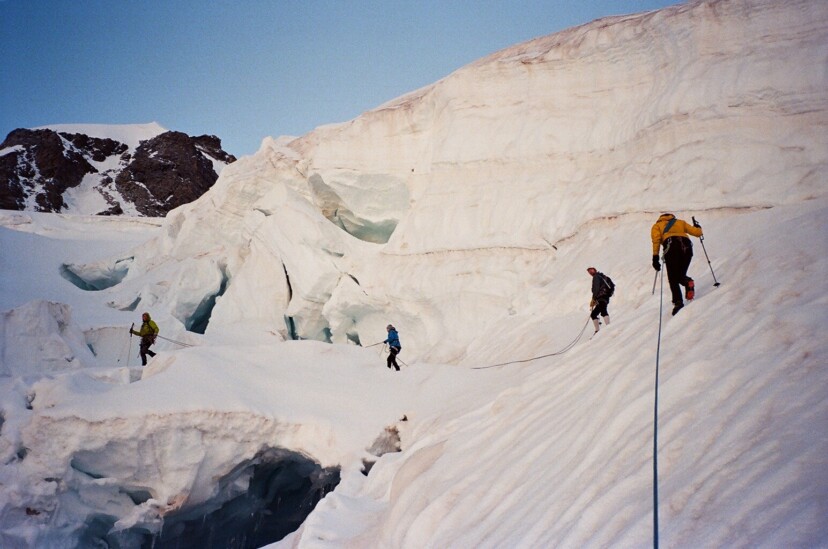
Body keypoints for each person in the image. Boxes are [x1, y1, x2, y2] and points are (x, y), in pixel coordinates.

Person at [651, 213, 703, 316]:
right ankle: (687, 281)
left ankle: (678, 302)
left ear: (660, 219)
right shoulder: (680, 222)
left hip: (672, 248)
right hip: (687, 248)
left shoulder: (657, 226)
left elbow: (656, 240)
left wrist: (655, 257)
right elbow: (697, 233)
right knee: (680, 274)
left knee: (673, 278)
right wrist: (698, 227)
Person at [587, 267, 613, 333]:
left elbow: (596, 289)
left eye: (591, 271)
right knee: (594, 314)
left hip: (601, 297)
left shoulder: (596, 277)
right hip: (605, 297)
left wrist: (594, 299)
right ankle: (598, 330)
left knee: (603, 310)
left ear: (595, 270)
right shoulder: (602, 277)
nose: (590, 272)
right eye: (589, 272)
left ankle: (608, 327)